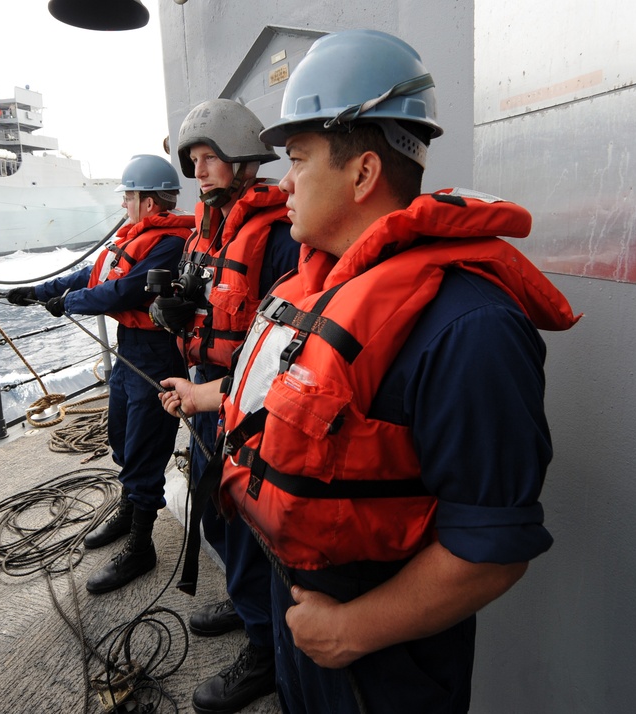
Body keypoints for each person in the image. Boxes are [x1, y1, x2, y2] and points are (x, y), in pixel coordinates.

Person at [159, 29, 579, 713]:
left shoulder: (470, 328)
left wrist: (352, 632)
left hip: (383, 655)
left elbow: (493, 549)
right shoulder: (317, 287)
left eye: (297, 159)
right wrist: (206, 398)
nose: (284, 184)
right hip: (296, 598)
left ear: (362, 174)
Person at [151, 98, 300, 714]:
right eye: (193, 159)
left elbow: (283, 341)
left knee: (250, 527)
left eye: (210, 156)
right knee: (218, 517)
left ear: (243, 159)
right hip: (206, 391)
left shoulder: (278, 237)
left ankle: (266, 650)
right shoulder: (208, 232)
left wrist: (210, 392)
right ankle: (248, 611)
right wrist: (173, 315)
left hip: (249, 400)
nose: (200, 169)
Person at [6, 154, 193, 594]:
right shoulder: (135, 236)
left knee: (146, 448)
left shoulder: (170, 243)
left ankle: (141, 544)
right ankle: (130, 506)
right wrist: (39, 291)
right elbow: (93, 274)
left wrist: (69, 303)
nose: (124, 202)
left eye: (129, 195)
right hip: (130, 350)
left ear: (148, 202)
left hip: (157, 355)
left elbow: (125, 289)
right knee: (122, 437)